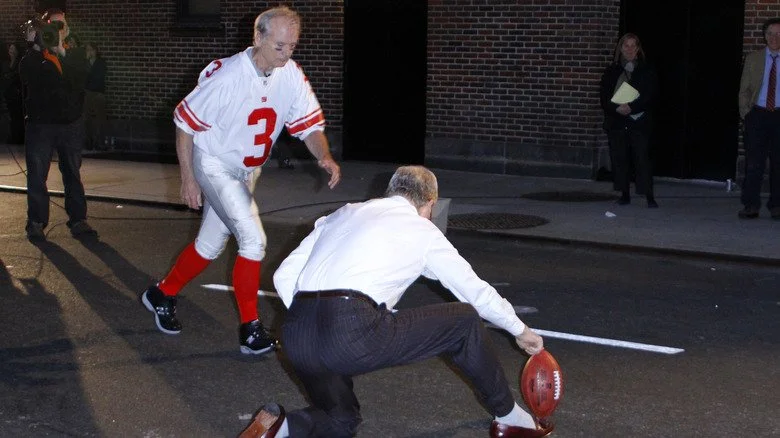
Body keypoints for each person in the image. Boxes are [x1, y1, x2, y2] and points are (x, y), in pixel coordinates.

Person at [239, 166, 553, 438]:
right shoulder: (422, 229)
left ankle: (281, 428)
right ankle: (511, 420)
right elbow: (475, 292)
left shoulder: (343, 213)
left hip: (296, 334)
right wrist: (520, 331)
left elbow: (283, 276)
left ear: (390, 192)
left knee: (342, 421)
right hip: (349, 330)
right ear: (430, 203)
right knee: (464, 321)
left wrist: (317, 320)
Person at [140, 6, 341, 355]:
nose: (286, 53)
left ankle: (162, 293)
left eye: (292, 46)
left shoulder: (290, 74)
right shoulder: (229, 75)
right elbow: (184, 124)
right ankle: (250, 330)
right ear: (258, 37)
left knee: (209, 245)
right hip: (215, 164)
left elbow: (309, 125)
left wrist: (323, 155)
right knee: (252, 240)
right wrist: (188, 178)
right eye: (279, 46)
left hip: (247, 170)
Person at [19, 9, 96, 241]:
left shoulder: (75, 54)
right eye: (52, 26)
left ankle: (78, 219)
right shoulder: (35, 57)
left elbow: (80, 80)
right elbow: (26, 76)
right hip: (41, 125)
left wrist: (61, 51)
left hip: (70, 124)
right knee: (36, 175)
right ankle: (36, 222)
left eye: (61, 26)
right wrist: (35, 46)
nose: (57, 31)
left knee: (72, 173)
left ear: (68, 29)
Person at [599, 33, 659, 208]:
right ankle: (624, 194)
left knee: (642, 159)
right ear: (621, 48)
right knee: (620, 159)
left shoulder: (646, 70)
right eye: (626, 45)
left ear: (638, 49)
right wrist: (616, 108)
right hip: (617, 122)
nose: (630, 49)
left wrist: (632, 107)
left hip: (639, 122)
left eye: (633, 46)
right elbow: (604, 97)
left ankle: (649, 195)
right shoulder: (612, 71)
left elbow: (650, 95)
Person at [738, 17, 780, 220]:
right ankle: (751, 204)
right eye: (770, 33)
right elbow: (744, 90)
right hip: (758, 114)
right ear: (764, 36)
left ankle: (777, 205)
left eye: (778, 34)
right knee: (754, 163)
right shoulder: (754, 59)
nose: (774, 37)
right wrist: (746, 114)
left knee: (779, 163)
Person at [84, 42, 108, 150]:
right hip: (88, 92)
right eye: (88, 50)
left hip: (98, 92)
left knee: (100, 119)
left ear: (96, 50)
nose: (90, 52)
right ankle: (88, 142)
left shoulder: (101, 62)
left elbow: (99, 77)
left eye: (92, 50)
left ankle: (99, 142)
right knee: (87, 119)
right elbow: (84, 77)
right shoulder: (85, 63)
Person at [1, 41, 25, 144]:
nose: (11, 51)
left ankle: (17, 137)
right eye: (10, 49)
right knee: (11, 116)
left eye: (13, 49)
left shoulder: (19, 63)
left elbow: (17, 77)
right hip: (8, 93)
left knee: (17, 116)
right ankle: (12, 136)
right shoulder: (6, 63)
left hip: (16, 94)